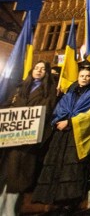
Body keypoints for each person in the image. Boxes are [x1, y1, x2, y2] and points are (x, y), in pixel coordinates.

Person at [32, 61, 90, 212]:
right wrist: (58, 120)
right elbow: (60, 107)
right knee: (56, 166)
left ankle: (68, 203)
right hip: (61, 135)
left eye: (87, 76)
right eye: (82, 76)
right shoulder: (70, 92)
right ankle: (53, 203)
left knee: (72, 171)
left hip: (76, 136)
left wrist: (70, 122)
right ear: (77, 77)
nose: (84, 78)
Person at [0, 60, 58, 216]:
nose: (38, 71)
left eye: (43, 69)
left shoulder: (49, 91)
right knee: (4, 176)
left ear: (46, 73)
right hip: (8, 141)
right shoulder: (20, 88)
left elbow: (46, 112)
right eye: (36, 68)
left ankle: (10, 211)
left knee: (18, 179)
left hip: (27, 142)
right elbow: (6, 106)